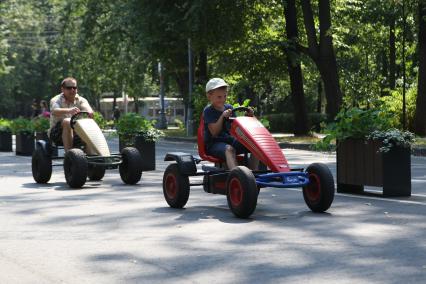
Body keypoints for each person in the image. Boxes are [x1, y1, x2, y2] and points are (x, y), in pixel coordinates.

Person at [203, 78, 258, 170]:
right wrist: (222, 116)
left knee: (255, 144)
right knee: (229, 149)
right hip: (214, 144)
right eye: (219, 97)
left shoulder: (229, 107)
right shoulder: (208, 111)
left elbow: (236, 126)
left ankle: (253, 174)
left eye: (225, 96)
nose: (223, 100)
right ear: (209, 96)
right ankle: (238, 176)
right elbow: (214, 132)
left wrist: (248, 116)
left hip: (231, 140)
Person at [49, 77, 93, 151]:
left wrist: (89, 112)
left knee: (90, 125)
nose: (72, 90)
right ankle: (69, 156)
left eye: (74, 87)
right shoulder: (56, 100)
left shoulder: (81, 100)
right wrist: (69, 110)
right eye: (69, 88)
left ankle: (92, 156)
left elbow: (89, 111)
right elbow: (54, 110)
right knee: (67, 121)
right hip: (57, 134)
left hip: (77, 131)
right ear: (62, 89)